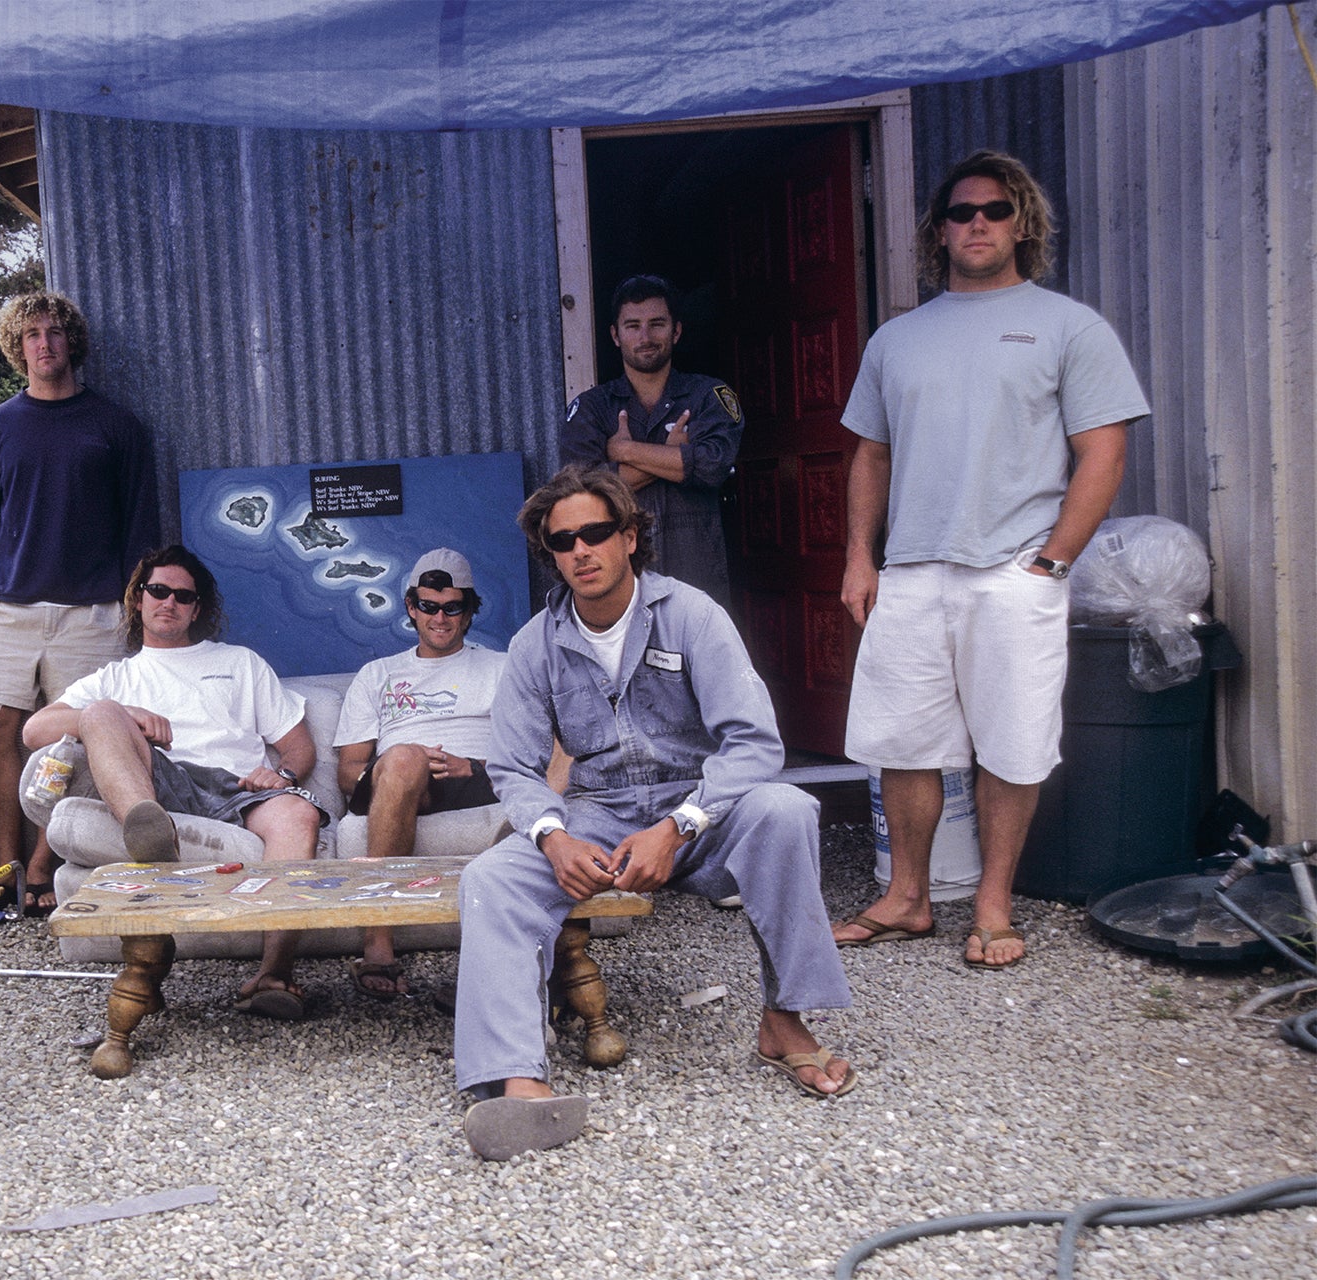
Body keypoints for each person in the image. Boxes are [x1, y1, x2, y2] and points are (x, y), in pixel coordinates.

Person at [453, 467, 856, 1162]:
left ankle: (785, 1021)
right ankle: (518, 1083)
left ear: (631, 537)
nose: (581, 550)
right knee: (492, 878)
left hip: (700, 806)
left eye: (597, 533)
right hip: (600, 815)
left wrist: (681, 825)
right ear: (551, 554)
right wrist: (551, 838)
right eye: (563, 540)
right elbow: (515, 769)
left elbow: (754, 742)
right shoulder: (534, 646)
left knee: (786, 809)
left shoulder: (692, 615)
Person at [832, 149, 1148, 971]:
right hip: (912, 571)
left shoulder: (1069, 326)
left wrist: (1052, 562)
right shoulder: (897, 339)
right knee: (902, 741)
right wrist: (859, 559)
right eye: (963, 212)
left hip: (1013, 572)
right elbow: (869, 456)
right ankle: (907, 899)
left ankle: (994, 904)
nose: (978, 224)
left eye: (996, 211)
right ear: (938, 230)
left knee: (1011, 744)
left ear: (1024, 225)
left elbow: (1102, 454)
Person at [22, 546, 325, 1019]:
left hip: (236, 786)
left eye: (183, 597)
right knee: (100, 712)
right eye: (158, 591)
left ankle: (274, 973)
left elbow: (299, 745)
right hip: (159, 780)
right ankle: (146, 829)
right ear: (138, 599)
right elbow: (33, 729)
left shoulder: (240, 662)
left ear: (197, 609)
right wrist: (127, 713)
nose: (170, 603)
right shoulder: (117, 676)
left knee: (298, 812)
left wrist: (282, 774)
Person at [0, 291, 159, 917]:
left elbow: (141, 527)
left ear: (72, 342)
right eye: (30, 335)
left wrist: (138, 607)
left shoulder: (118, 426)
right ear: (17, 349)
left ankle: (46, 867)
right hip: (9, 605)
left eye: (54, 332)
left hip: (94, 610)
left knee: (71, 742)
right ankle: (6, 866)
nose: (44, 344)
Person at [332, 548, 505, 1000]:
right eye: (428, 606)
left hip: (477, 783)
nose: (440, 618)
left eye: (453, 607)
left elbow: (537, 750)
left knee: (407, 758)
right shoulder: (378, 674)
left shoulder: (501, 667)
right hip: (399, 781)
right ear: (411, 607)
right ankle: (378, 942)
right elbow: (349, 770)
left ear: (469, 612)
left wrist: (477, 767)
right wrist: (396, 768)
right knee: (404, 758)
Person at [559, 274, 745, 604]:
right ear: (616, 335)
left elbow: (713, 465)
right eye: (633, 326)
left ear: (676, 330)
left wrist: (625, 451)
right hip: (619, 583)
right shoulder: (591, 407)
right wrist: (670, 457)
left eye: (657, 324)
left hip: (696, 583)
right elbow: (581, 495)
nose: (645, 336)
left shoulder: (708, 396)